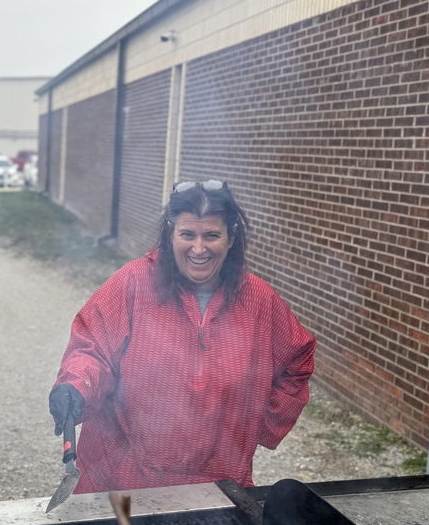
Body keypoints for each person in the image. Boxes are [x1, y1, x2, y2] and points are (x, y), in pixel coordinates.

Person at [48, 179, 315, 493]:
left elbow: (297, 361)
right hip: (122, 476)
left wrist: (259, 424)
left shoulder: (258, 299)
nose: (198, 248)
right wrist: (79, 386)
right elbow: (92, 350)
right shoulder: (132, 283)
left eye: (211, 235)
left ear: (231, 239)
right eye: (187, 234)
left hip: (217, 484)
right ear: (170, 235)